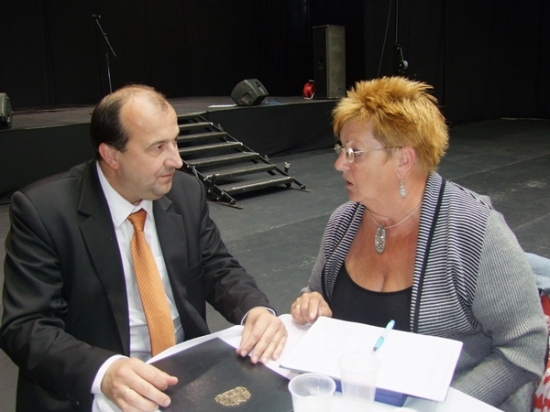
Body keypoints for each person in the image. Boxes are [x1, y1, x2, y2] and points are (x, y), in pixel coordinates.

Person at [0, 84, 287, 412]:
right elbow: (26, 326)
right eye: (157, 147)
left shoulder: (186, 193)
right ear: (111, 155)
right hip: (95, 391)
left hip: (188, 375)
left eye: (175, 140)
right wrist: (105, 371)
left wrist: (255, 310)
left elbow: (216, 266)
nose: (177, 160)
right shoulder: (45, 212)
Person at [290, 77, 547, 412]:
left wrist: (442, 407)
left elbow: (525, 347)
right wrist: (310, 303)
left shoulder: (473, 231)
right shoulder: (343, 223)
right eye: (341, 150)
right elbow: (316, 295)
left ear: (404, 160)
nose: (340, 163)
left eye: (354, 152)